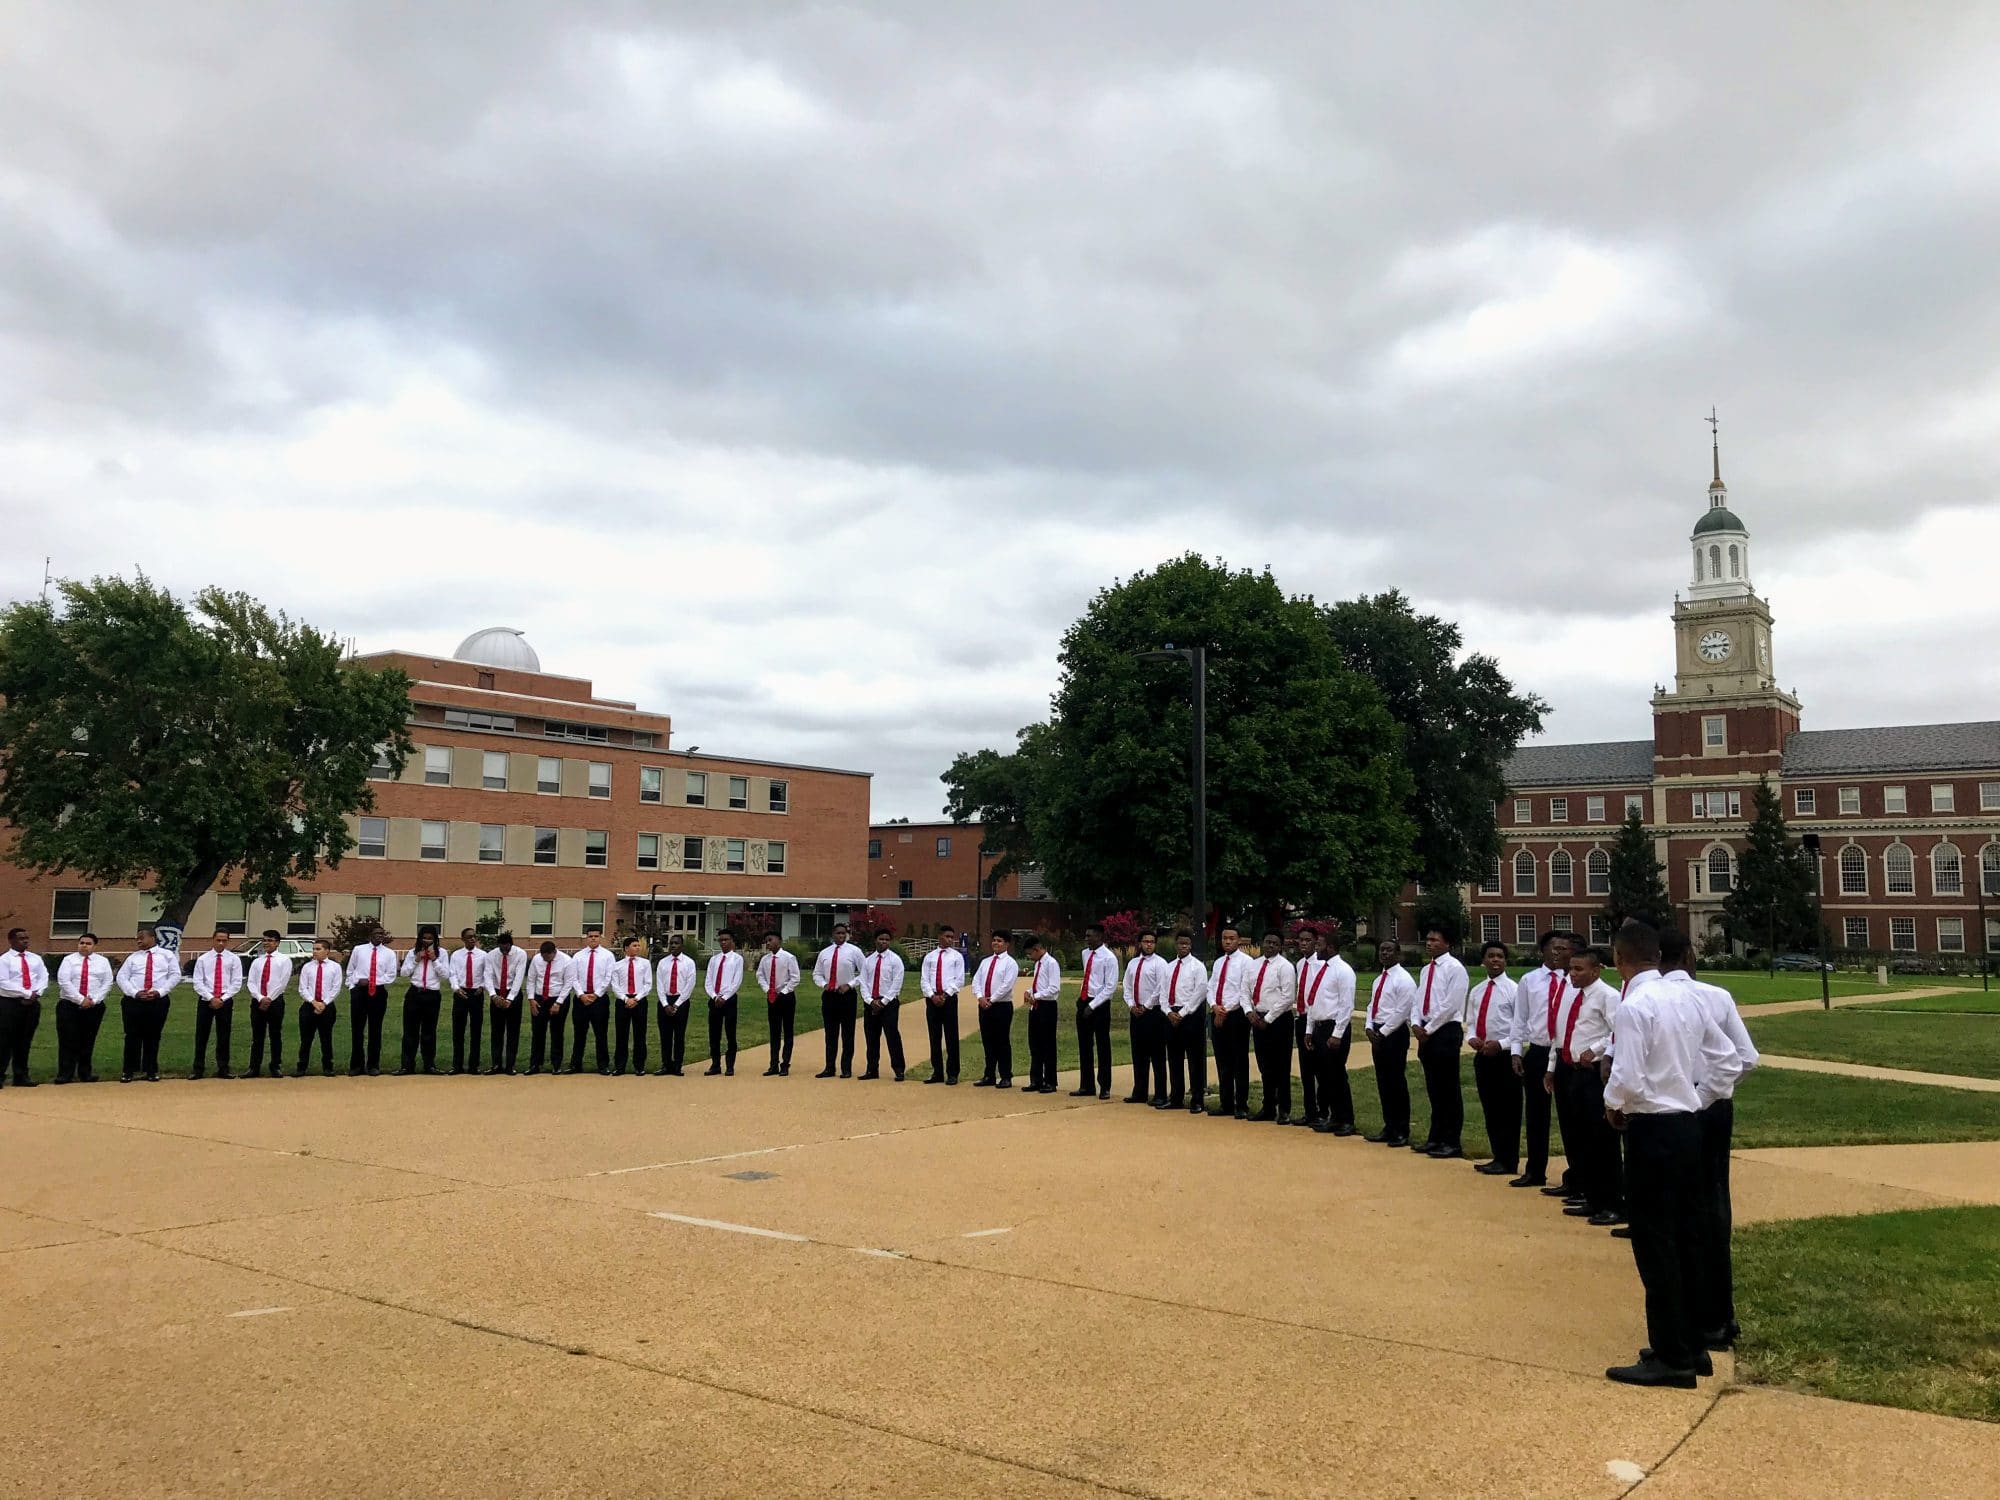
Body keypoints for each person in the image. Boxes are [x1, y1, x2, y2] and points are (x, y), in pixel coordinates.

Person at [1603, 920, 1744, 1389]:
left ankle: (1672, 1356)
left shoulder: (1633, 1005)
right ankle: (1691, 1341)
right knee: (1686, 1236)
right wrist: (1699, 1098)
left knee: (1654, 1241)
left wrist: (1614, 1105)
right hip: (1687, 1125)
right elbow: (1728, 1059)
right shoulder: (1688, 997)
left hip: (1652, 1129)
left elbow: (1624, 1077)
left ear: (1620, 960)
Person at [1661, 929, 1760, 1348]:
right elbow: (1747, 1058)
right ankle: (1718, 1316)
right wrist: (1705, 1097)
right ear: (1687, 956)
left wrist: (1693, 1098)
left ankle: (1704, 1317)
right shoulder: (1716, 996)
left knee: (1682, 1213)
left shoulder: (1649, 1000)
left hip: (1679, 1110)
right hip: (1712, 1108)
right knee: (1712, 1208)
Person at [1551, 945, 1624, 1225]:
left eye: (1579, 969)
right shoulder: (1577, 997)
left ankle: (1613, 1202)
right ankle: (1593, 1198)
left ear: (1596, 970)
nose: (1573, 974)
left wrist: (1594, 1049)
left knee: (1602, 1140)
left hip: (1595, 1073)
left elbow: (1619, 1031)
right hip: (1575, 1073)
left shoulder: (1607, 996)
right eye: (1571, 968)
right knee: (1583, 1138)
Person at [1511, 930, 1573, 1191]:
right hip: (1538, 1050)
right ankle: (1535, 1170)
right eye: (1554, 948)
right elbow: (1520, 1017)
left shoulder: (1573, 981)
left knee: (1570, 1115)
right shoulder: (1530, 980)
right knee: (1536, 1114)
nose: (1558, 953)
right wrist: (1516, 1049)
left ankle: (1575, 1176)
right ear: (1543, 951)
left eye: (1563, 948)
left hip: (1563, 1053)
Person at [1411, 925, 1470, 1157]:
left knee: (1448, 1088)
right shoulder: (1427, 969)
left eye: (1435, 940)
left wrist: (1430, 1028)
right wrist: (1416, 1022)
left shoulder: (1455, 969)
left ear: (1447, 944)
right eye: (1427, 939)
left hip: (1445, 1031)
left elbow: (1451, 1004)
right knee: (1434, 1088)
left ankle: (1451, 1141)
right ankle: (1435, 1137)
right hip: (1426, 1031)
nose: (1429, 943)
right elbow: (1418, 998)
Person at [1466, 942, 1522, 1176]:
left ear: (1505, 961)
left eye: (1500, 956)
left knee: (1508, 1109)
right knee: (1490, 1107)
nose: (1495, 960)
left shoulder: (1514, 989)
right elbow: (1470, 1021)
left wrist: (1501, 1044)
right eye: (1491, 956)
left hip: (1506, 1056)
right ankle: (1497, 1155)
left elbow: (1522, 1026)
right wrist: (1472, 1038)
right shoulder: (1477, 991)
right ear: (1484, 960)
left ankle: (1509, 1159)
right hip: (1483, 1055)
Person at [1299, 928, 1356, 1134]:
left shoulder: (1343, 970)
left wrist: (1337, 1034)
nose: (1316, 948)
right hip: (1319, 1028)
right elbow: (1313, 1001)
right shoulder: (1321, 969)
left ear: (1330, 947)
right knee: (1325, 1076)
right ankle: (1333, 1116)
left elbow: (1346, 1005)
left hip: (1334, 1028)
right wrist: (1309, 1029)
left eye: (1319, 944)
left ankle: (1346, 1119)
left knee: (1337, 1075)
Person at [1361, 940, 1415, 1146]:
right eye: (1382, 950)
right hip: (1377, 1033)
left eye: (1389, 950)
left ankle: (1401, 1129)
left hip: (1393, 1034)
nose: (1384, 953)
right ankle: (1389, 1125)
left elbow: (1402, 1011)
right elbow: (1371, 1005)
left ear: (1398, 954)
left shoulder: (1404, 980)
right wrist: (1368, 1026)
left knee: (1396, 1082)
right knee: (1383, 1082)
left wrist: (1382, 1032)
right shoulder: (1378, 980)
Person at [114, 927, 181, 1082]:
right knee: (132, 1036)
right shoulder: (133, 958)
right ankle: (129, 1070)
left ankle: (151, 1069)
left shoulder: (167, 956)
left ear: (152, 937)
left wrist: (160, 991)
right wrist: (134, 992)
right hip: (134, 1001)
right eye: (137, 938)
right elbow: (122, 978)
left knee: (153, 1036)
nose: (138, 941)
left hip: (157, 1001)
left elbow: (175, 975)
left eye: (141, 938)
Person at [1246, 931, 1298, 1123]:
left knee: (1281, 1066)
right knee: (1264, 1066)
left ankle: (1284, 1109)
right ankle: (1268, 1107)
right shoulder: (1253, 965)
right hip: (1257, 1018)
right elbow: (1245, 990)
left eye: (1275, 943)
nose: (1270, 946)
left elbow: (1287, 997)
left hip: (1278, 1021)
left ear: (1280, 946)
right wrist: (1248, 1011)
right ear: (1262, 943)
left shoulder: (1285, 967)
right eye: (1267, 942)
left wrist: (1268, 1018)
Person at [54, 932, 115, 1084]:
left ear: (94, 946)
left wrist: (94, 1000)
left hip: (94, 1006)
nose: (84, 946)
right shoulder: (69, 960)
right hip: (69, 1004)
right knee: (67, 1039)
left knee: (87, 1039)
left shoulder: (102, 962)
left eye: (88, 943)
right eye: (81, 943)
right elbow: (64, 981)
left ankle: (85, 1072)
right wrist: (80, 999)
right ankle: (65, 1073)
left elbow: (107, 982)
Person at [1161, 930, 1209, 1114]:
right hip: (1170, 1015)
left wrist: (1182, 1013)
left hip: (1190, 1015)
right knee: (1174, 1058)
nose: (1183, 946)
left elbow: (1200, 992)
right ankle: (1176, 1097)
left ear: (1191, 945)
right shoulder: (1169, 967)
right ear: (1176, 944)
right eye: (1180, 943)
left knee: (1195, 1059)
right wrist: (1167, 1011)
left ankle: (1197, 1099)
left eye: (1187, 944)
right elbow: (1163, 991)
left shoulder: (1197, 967)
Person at [183, 930, 243, 1080]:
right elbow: (197, 982)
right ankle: (198, 1068)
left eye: (224, 940)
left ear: (228, 941)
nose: (221, 943)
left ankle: (223, 1068)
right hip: (206, 1000)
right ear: (213, 940)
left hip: (225, 1000)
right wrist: (211, 998)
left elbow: (236, 982)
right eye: (218, 940)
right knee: (202, 1035)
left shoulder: (234, 959)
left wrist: (223, 998)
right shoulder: (203, 959)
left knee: (224, 1035)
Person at [1206, 926, 1252, 1118]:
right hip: (1217, 1013)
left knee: (1239, 1060)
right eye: (1224, 938)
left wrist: (1225, 1010)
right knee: (1222, 1059)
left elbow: (1243, 990)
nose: (1227, 942)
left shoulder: (1247, 962)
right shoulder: (1218, 962)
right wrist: (1215, 1006)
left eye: (1232, 938)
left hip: (1236, 1015)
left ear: (1239, 941)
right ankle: (1226, 1102)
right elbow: (1211, 987)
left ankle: (1241, 1104)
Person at [1122, 930, 1170, 1107]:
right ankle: (1139, 1091)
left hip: (1153, 1013)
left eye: (1152, 941)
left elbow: (1160, 988)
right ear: (1140, 943)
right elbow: (1126, 985)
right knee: (1138, 1053)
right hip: (1136, 1012)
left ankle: (1160, 1094)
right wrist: (1131, 1004)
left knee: (1157, 1055)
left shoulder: (1160, 963)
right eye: (1145, 941)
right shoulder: (1133, 963)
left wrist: (1146, 1006)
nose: (1148, 944)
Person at [344, 926, 397, 1077]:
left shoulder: (389, 954)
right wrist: (354, 984)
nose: (379, 936)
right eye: (376, 934)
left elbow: (391, 975)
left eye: (382, 934)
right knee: (357, 1029)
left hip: (378, 992)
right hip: (359, 992)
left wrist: (373, 981)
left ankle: (373, 1065)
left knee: (375, 1029)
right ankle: (356, 1065)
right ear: (370, 935)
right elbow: (350, 971)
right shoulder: (359, 950)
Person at [1073, 923, 1118, 1099]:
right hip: (1084, 1000)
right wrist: (1083, 1002)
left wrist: (1093, 1005)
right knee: (1084, 1046)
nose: (1086, 939)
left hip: (1100, 1004)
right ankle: (1086, 1084)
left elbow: (1110, 987)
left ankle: (1105, 1086)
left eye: (1089, 936)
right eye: (1086, 935)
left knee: (1102, 1045)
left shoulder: (1109, 958)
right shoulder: (1085, 954)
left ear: (1099, 937)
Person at [0, 927, 50, 1087]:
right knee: (5, 1041)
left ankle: (21, 1075)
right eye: (21, 938)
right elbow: (3, 982)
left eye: (27, 938)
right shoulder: (4, 960)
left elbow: (43, 976)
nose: (25, 941)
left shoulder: (35, 959)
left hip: (31, 1004)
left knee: (24, 1040)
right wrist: (26, 993)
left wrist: (37, 992)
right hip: (10, 1004)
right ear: (11, 941)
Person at [812, 923, 863, 1079]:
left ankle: (846, 1068)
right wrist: (824, 984)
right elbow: (817, 974)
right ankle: (829, 1067)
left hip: (847, 996)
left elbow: (865, 973)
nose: (841, 936)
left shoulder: (854, 951)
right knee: (830, 1034)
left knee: (847, 1033)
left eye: (844, 933)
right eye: (838, 933)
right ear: (833, 934)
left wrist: (850, 984)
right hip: (830, 996)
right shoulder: (824, 953)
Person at [970, 931, 1020, 1088]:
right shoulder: (985, 962)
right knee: (988, 1040)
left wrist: (993, 999)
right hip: (984, 1005)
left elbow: (1007, 985)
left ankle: (1005, 1076)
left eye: (999, 941)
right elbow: (976, 980)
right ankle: (989, 1074)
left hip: (1001, 1006)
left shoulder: (1010, 963)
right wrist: (980, 997)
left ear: (1006, 944)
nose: (996, 943)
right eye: (994, 940)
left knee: (1002, 1041)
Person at [242, 930, 293, 1080]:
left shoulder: (284, 960)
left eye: (270, 940)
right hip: (258, 1001)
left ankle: (275, 1066)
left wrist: (269, 998)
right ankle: (254, 1067)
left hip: (275, 1001)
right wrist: (259, 997)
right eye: (264, 940)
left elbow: (282, 982)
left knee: (275, 1034)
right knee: (257, 1036)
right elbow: (251, 981)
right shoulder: (257, 961)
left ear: (277, 942)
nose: (266, 943)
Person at [918, 925, 966, 1085]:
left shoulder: (956, 957)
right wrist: (932, 996)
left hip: (948, 999)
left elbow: (959, 980)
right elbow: (924, 979)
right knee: (934, 1036)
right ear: (939, 936)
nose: (950, 940)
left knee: (951, 1036)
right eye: (947, 936)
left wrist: (945, 995)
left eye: (952, 937)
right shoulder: (930, 957)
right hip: (932, 1000)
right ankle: (937, 1072)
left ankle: (952, 1073)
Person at [859, 928, 907, 1080]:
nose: (884, 942)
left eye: (887, 939)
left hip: (889, 1003)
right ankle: (872, 1069)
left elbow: (896, 983)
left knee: (892, 1035)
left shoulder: (895, 960)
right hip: (871, 1002)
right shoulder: (868, 961)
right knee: (871, 1037)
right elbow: (863, 982)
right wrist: (870, 1000)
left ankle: (899, 1069)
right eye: (881, 939)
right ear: (875, 940)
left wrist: (884, 1001)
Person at [397, 931, 448, 1075]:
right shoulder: (413, 952)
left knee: (429, 1032)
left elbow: (445, 975)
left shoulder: (442, 953)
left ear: (435, 939)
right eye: (424, 938)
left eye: (430, 938)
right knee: (409, 1032)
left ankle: (429, 1065)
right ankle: (407, 1065)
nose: (426, 940)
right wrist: (416, 960)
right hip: (415, 994)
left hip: (432, 995)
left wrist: (435, 960)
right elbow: (404, 973)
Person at [294, 938, 344, 1076]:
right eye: (314, 949)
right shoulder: (307, 967)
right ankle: (301, 1067)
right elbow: (303, 988)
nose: (315, 952)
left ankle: (328, 1066)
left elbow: (336, 988)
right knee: (306, 1038)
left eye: (318, 949)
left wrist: (324, 1003)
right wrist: (313, 1002)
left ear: (327, 951)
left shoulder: (335, 967)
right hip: (309, 1006)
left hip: (327, 1006)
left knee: (326, 1037)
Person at [569, 927, 613, 1076]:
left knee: (601, 1034)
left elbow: (609, 977)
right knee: (579, 1033)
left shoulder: (608, 956)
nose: (593, 938)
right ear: (586, 938)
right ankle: (575, 1064)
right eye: (590, 936)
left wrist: (596, 994)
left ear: (600, 937)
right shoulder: (578, 956)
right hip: (581, 999)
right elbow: (573, 977)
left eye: (596, 936)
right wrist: (581, 994)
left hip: (599, 1000)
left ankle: (603, 1065)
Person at [756, 932, 801, 1077]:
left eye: (770, 940)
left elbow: (795, 978)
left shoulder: (788, 958)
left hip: (786, 997)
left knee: (787, 1030)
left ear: (779, 941)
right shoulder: (765, 960)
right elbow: (760, 975)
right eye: (766, 940)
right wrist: (767, 989)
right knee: (774, 1032)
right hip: (772, 997)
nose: (768, 943)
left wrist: (784, 992)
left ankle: (785, 1064)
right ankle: (773, 1064)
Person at [525, 940, 571, 1076]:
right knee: (537, 1032)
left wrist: (558, 1003)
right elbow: (531, 979)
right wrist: (531, 999)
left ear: (554, 952)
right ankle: (535, 1064)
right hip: (540, 998)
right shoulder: (537, 959)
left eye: (548, 957)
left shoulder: (566, 961)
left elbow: (568, 983)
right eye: (543, 957)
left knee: (557, 1032)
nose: (545, 960)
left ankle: (556, 1064)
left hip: (558, 997)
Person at [1023, 936, 1062, 1093]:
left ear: (1037, 950)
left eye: (1029, 954)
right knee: (1035, 1044)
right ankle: (1036, 1079)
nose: (1029, 957)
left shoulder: (1051, 963)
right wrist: (1029, 991)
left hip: (1047, 1006)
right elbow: (1039, 984)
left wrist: (1036, 996)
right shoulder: (1038, 963)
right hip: (1036, 1007)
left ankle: (1050, 1081)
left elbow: (1054, 988)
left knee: (1048, 1044)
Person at [610, 935, 654, 1076]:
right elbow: (614, 985)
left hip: (639, 1000)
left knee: (639, 1034)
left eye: (638, 945)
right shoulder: (617, 966)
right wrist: (625, 999)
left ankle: (639, 1065)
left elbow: (648, 984)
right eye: (634, 946)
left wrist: (636, 998)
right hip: (623, 1001)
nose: (637, 948)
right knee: (621, 1034)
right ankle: (620, 1065)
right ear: (626, 949)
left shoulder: (645, 963)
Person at [703, 928, 745, 1076]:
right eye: (721, 940)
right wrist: (714, 996)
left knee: (730, 1033)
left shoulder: (737, 959)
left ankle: (730, 1065)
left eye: (726, 940)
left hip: (729, 1000)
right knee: (714, 1033)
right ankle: (715, 1064)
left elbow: (737, 981)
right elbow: (708, 980)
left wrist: (725, 997)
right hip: (715, 999)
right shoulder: (714, 959)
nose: (723, 943)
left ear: (732, 942)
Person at [653, 935, 695, 1076]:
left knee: (679, 1035)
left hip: (681, 1001)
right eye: (671, 943)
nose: (673, 946)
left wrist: (676, 1005)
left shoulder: (689, 963)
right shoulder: (663, 963)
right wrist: (665, 1004)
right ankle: (666, 1064)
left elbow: (689, 985)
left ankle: (677, 1065)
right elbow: (659, 984)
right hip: (665, 1000)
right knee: (665, 1035)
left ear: (681, 945)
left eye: (676, 943)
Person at [448, 928, 488, 1075]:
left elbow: (487, 973)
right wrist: (456, 988)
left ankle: (474, 1065)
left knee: (476, 1030)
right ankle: (457, 1065)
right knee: (458, 1030)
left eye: (474, 937)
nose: (472, 939)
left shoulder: (483, 955)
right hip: (461, 993)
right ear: (463, 938)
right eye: (469, 937)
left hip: (476, 993)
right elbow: (452, 973)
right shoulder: (456, 955)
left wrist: (482, 986)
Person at [487, 933, 525, 1075]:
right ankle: (496, 1064)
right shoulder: (491, 955)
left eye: (507, 948)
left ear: (511, 944)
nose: (504, 951)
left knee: (513, 1031)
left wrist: (510, 999)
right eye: (501, 948)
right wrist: (493, 995)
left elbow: (519, 977)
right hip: (497, 993)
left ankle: (510, 1065)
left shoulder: (520, 954)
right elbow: (488, 975)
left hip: (513, 993)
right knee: (496, 1031)